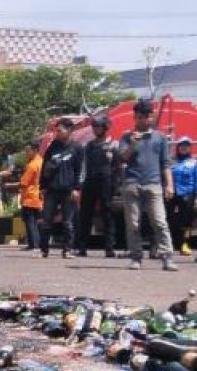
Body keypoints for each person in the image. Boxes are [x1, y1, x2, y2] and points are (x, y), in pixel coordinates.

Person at [118, 99, 177, 271]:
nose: (143, 120)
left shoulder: (160, 138)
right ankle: (136, 257)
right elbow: (122, 158)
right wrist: (133, 144)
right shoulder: (127, 137)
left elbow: (166, 163)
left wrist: (170, 185)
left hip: (154, 183)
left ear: (151, 117)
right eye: (139, 117)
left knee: (159, 221)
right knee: (133, 223)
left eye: (146, 116)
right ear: (134, 117)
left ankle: (167, 257)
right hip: (132, 183)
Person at [73, 115, 118, 257]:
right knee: (85, 215)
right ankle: (82, 247)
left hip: (106, 181)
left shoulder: (113, 144)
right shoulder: (89, 146)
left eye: (98, 127)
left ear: (105, 128)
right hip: (90, 181)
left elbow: (118, 166)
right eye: (94, 127)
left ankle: (109, 248)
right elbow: (84, 165)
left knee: (107, 215)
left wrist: (115, 184)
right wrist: (80, 183)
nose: (95, 129)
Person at [39, 119, 83, 259]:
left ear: (69, 130)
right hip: (52, 190)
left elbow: (80, 170)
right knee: (47, 220)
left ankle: (67, 250)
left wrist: (77, 188)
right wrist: (43, 186)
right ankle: (44, 249)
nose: (57, 133)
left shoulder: (77, 148)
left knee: (68, 222)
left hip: (68, 191)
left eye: (60, 130)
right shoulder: (52, 147)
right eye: (56, 130)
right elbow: (44, 168)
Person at [168, 139, 197, 255]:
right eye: (182, 146)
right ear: (177, 147)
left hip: (187, 194)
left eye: (187, 146)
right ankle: (169, 244)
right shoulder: (171, 161)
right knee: (169, 218)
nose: (184, 148)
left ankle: (185, 243)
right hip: (172, 193)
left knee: (186, 221)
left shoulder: (194, 162)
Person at [18, 142, 43, 251]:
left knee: (30, 222)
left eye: (28, 151)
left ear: (35, 150)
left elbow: (24, 183)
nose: (25, 153)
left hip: (30, 197)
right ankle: (36, 243)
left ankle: (33, 244)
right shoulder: (41, 161)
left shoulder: (32, 165)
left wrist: (9, 185)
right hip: (37, 196)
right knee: (34, 222)